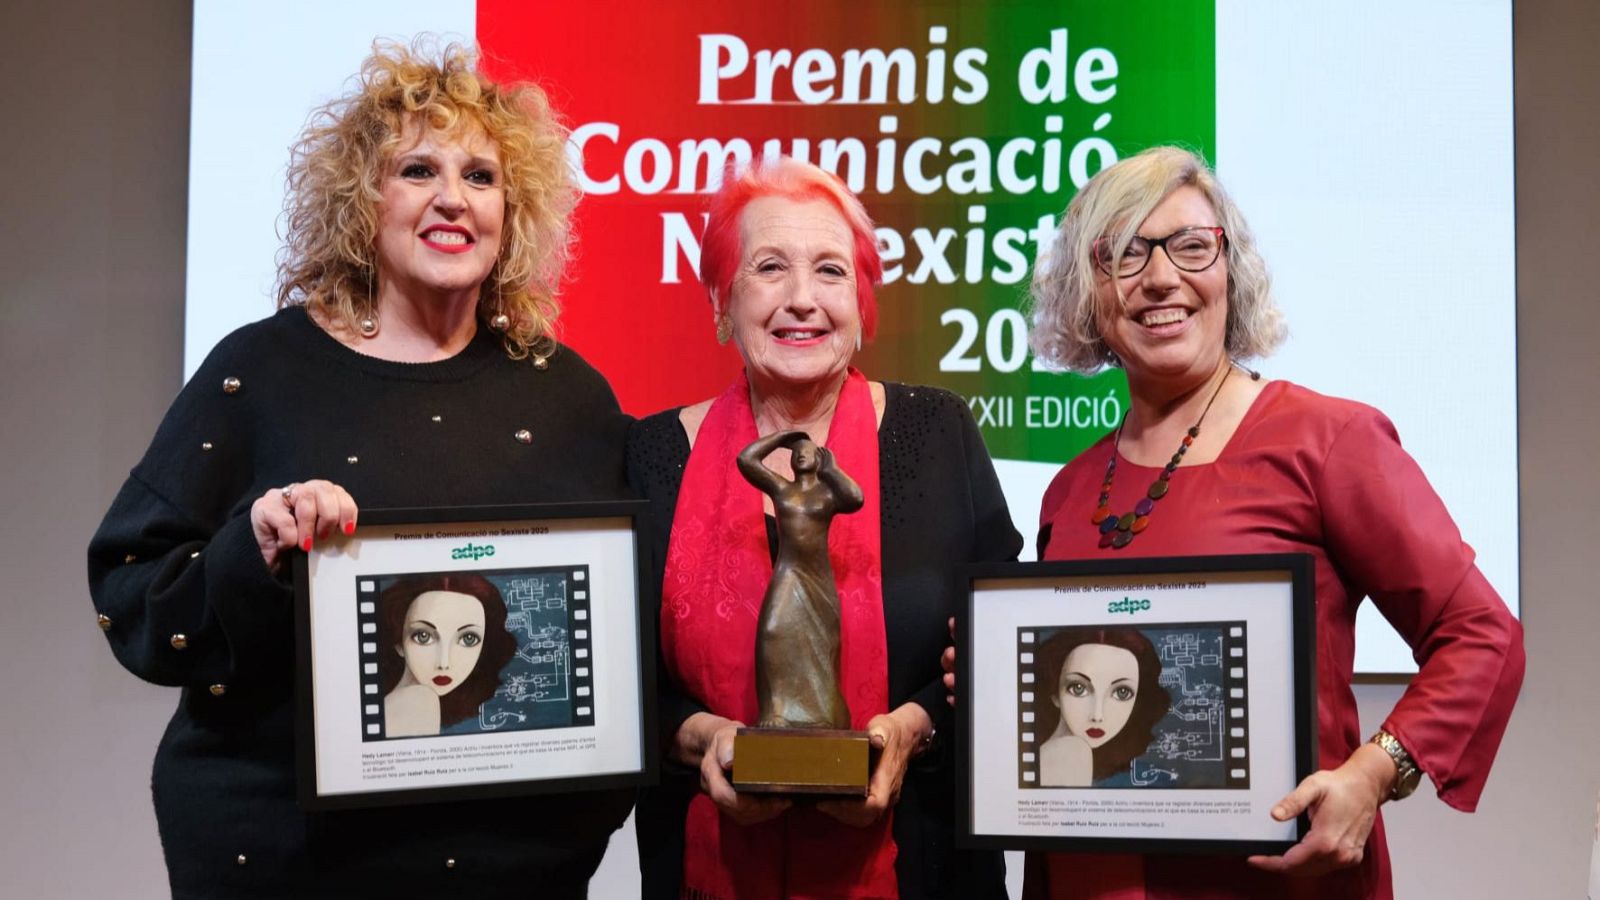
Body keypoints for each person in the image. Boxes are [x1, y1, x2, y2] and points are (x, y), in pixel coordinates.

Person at [85, 40, 632, 898]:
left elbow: (613, 631)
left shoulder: (569, 396)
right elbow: (132, 595)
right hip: (285, 862)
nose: (453, 198)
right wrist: (256, 549)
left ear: (514, 210)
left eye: (481, 177)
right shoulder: (257, 372)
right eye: (417, 170)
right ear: (362, 202)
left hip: (511, 869)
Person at [1004, 145, 1525, 898]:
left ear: (1230, 271)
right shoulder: (1069, 489)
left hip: (1274, 877)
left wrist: (1374, 772)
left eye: (1190, 246)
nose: (1161, 277)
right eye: (1124, 254)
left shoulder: (1328, 441)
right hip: (1090, 876)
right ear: (1088, 292)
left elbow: (1482, 634)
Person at [626, 157, 1023, 899]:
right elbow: (624, 685)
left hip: (924, 863)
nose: (802, 299)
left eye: (831, 271)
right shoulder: (651, 455)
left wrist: (910, 729)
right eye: (770, 267)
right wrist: (704, 740)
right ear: (722, 298)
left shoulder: (939, 433)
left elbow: (997, 651)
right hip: (706, 866)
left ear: (862, 304)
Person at [377, 574, 517, 737]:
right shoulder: (418, 701)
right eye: (423, 636)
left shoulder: (401, 702)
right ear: (398, 642)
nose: (444, 663)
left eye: (468, 638)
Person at [1033, 627, 1169, 788]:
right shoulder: (1071, 751)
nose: (1097, 715)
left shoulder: (1057, 752)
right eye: (1078, 688)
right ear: (1055, 693)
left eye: (1122, 692)